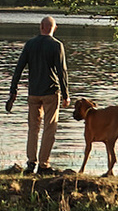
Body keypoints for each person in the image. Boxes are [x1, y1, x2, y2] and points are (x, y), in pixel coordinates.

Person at [5, 14, 70, 173]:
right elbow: (62, 71)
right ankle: (43, 164)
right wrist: (66, 94)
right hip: (51, 92)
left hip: (33, 93)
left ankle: (31, 162)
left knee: (33, 129)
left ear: (41, 27)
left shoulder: (30, 44)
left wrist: (13, 91)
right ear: (54, 28)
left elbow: (19, 68)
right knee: (49, 128)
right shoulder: (57, 45)